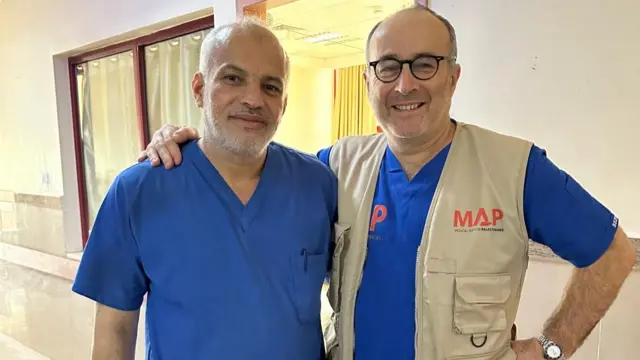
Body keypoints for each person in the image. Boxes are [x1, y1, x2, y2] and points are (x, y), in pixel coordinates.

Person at [138, 5, 637, 360]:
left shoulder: (515, 168)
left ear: (453, 77)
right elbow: (243, 166)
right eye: (388, 67)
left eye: (425, 64)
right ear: (369, 81)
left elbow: (614, 252)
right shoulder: (332, 167)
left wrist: (552, 346)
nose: (405, 84)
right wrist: (183, 138)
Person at [72, 18, 337, 360]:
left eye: (271, 86)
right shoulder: (138, 190)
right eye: (233, 78)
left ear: (284, 104)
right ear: (199, 89)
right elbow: (115, 331)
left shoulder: (317, 183)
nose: (253, 99)